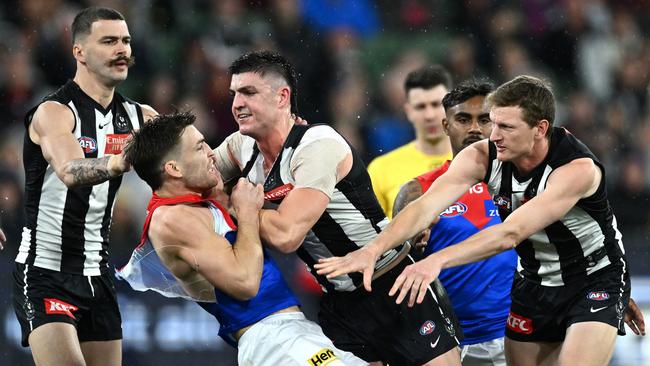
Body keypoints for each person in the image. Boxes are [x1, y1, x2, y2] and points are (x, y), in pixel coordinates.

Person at [316, 75, 646, 365]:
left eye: (505, 127)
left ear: (540, 128)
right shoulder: (483, 156)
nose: (491, 134)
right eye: (494, 123)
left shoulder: (576, 170)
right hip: (534, 281)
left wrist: (436, 261)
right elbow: (424, 207)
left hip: (592, 279)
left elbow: (511, 233)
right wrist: (373, 249)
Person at [214, 50, 461, 365]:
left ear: (281, 97)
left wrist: (238, 204)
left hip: (394, 283)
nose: (237, 104)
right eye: (234, 94)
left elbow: (287, 235)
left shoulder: (317, 144)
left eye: (248, 93)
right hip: (340, 302)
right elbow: (195, 174)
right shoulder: (241, 147)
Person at [116, 112, 366, 366]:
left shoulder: (196, 198)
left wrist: (290, 139)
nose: (211, 152)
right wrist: (246, 213)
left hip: (291, 332)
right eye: (200, 147)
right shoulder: (172, 219)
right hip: (270, 339)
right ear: (174, 169)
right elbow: (245, 283)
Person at [11, 7, 156, 366]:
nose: (121, 49)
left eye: (125, 40)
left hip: (99, 275)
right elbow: (71, 170)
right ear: (79, 52)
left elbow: (197, 162)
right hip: (45, 272)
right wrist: (119, 161)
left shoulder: (142, 117)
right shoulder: (55, 112)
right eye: (108, 41)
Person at [393, 80, 515, 366]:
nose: (475, 128)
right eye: (463, 119)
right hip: (451, 347)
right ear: (446, 125)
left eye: (484, 119)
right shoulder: (419, 192)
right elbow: (396, 272)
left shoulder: (523, 180)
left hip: (521, 337)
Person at [367, 65, 453, 218]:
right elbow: (371, 234)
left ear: (452, 107)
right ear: (408, 111)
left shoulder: (477, 161)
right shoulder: (381, 169)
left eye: (436, 104)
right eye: (421, 107)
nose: (429, 115)